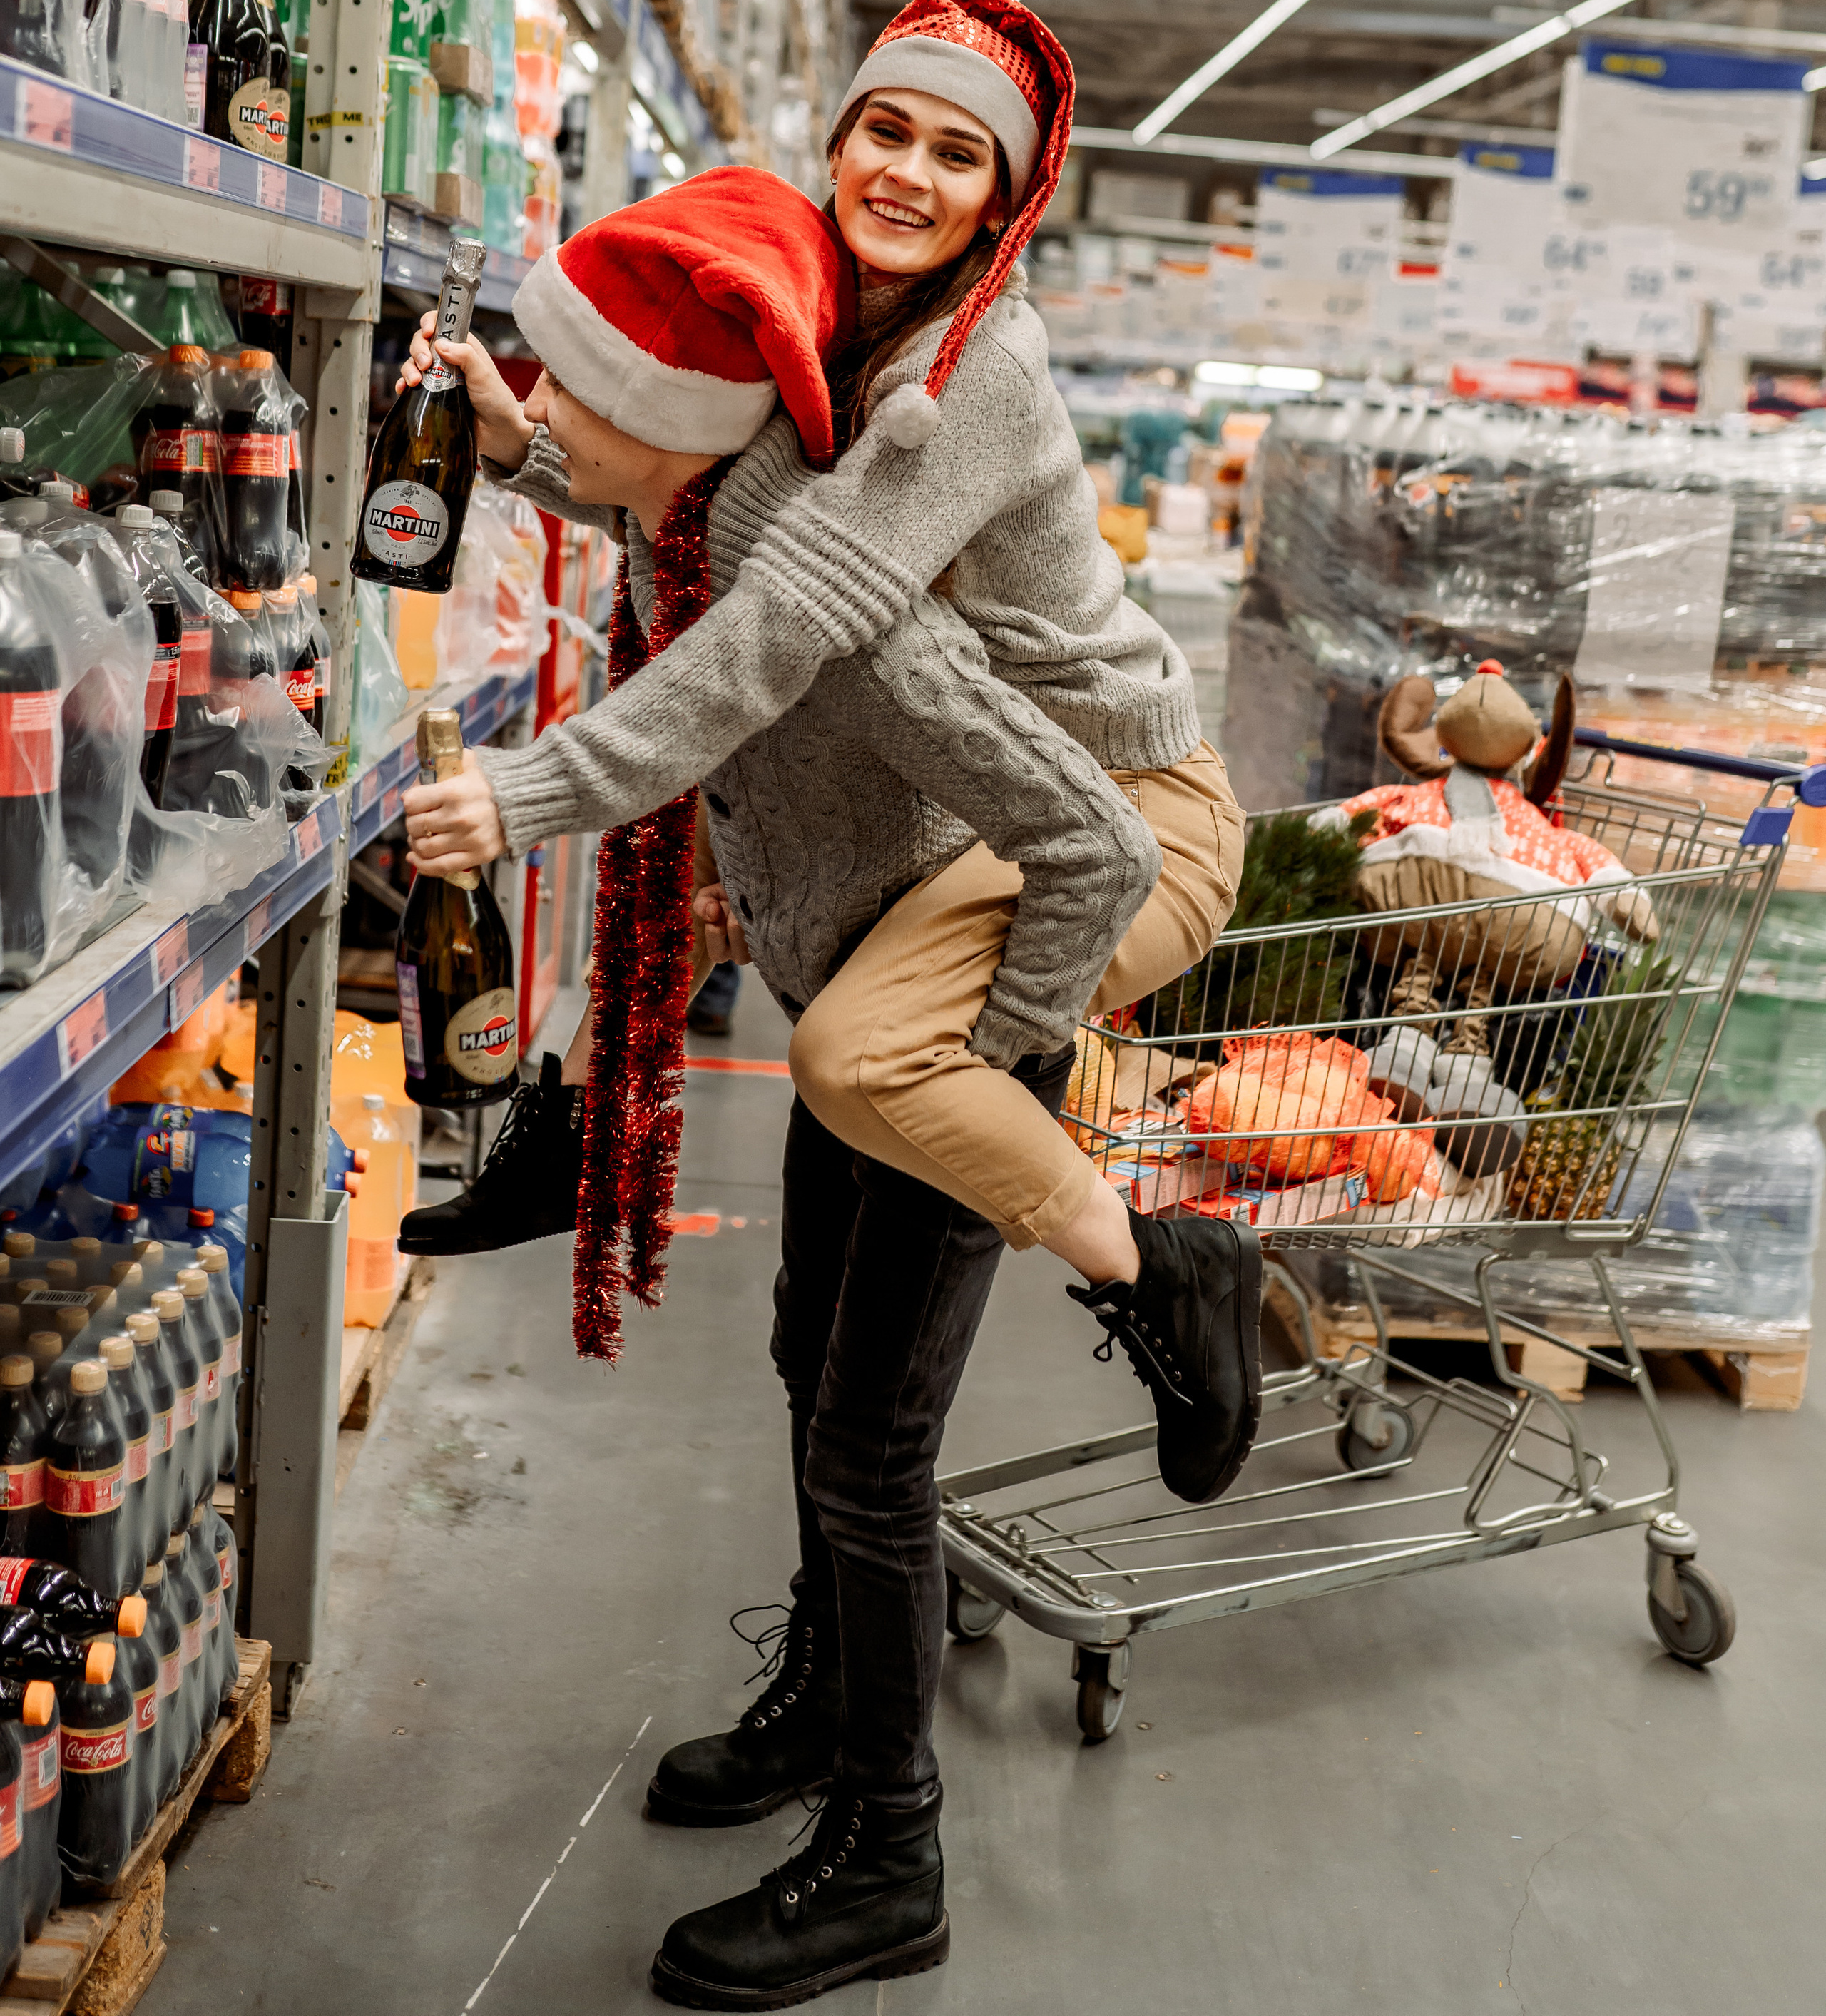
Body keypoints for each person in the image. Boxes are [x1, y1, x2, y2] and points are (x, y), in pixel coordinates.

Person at [402, 170, 1258, 2005]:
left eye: (571, 387)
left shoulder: (842, 582)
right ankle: (821, 1709)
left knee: (872, 1442)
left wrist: (1005, 1050)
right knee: (808, 1360)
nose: (543, 411)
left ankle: (892, 1853)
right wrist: (514, 446)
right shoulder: (700, 509)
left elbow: (1082, 832)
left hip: (964, 973)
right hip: (862, 965)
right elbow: (676, 544)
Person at [404, 0, 1243, 1326]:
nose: (907, 174)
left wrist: (529, 793)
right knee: (687, 850)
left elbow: (783, 613)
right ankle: (584, 1131)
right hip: (964, 771)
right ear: (840, 137)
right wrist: (526, 450)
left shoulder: (974, 373)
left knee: (842, 1040)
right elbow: (714, 497)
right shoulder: (833, 299)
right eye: (885, 131)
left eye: (957, 155)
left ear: (1002, 201)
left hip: (1099, 795)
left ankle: (1165, 1274)